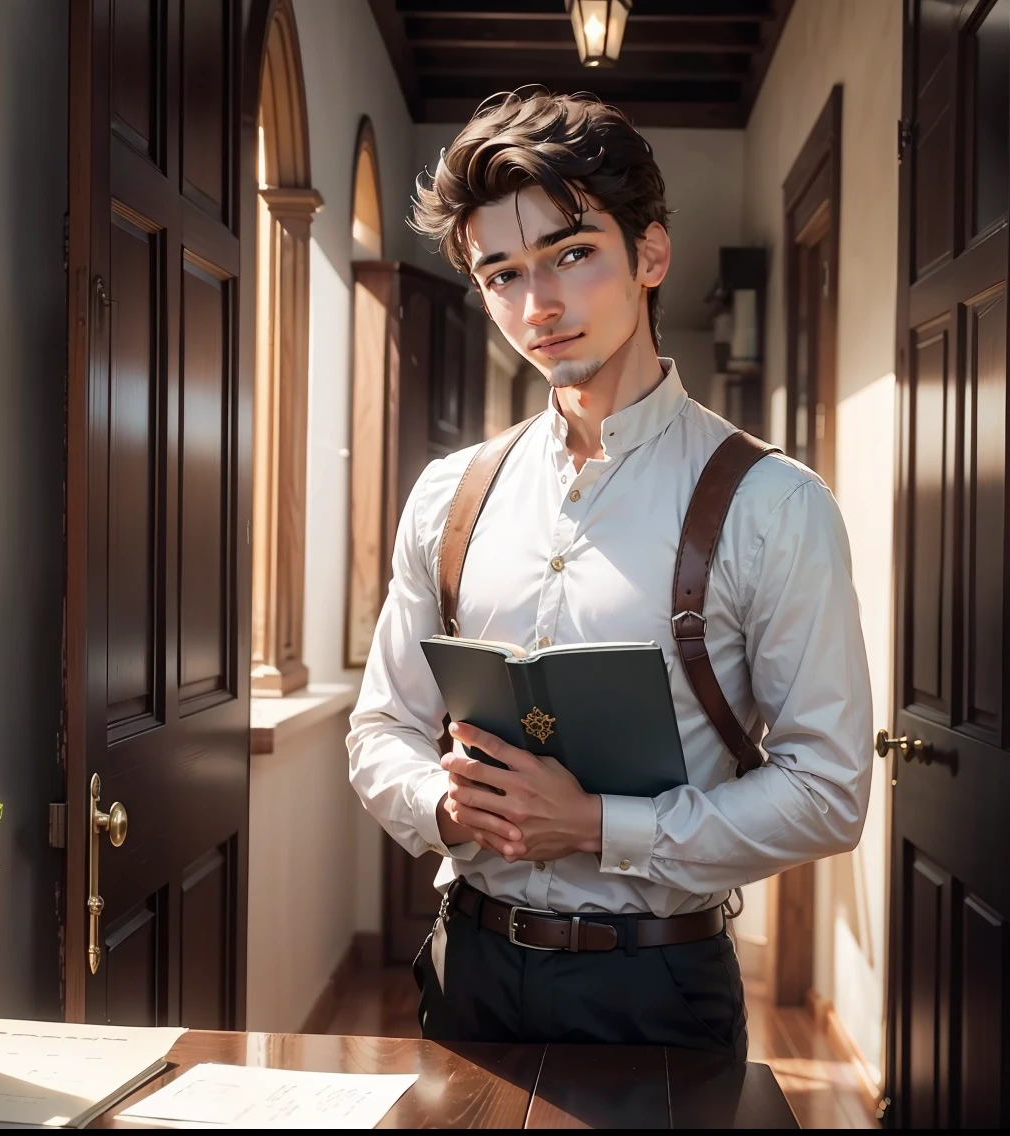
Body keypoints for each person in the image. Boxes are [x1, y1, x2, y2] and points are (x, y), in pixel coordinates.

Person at [345, 86, 871, 1059]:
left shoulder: (772, 504)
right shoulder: (447, 495)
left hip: (658, 985)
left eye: (571, 254)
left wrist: (595, 822)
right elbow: (379, 726)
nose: (537, 304)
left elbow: (829, 790)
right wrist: (441, 803)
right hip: (468, 968)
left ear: (651, 255)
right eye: (500, 272)